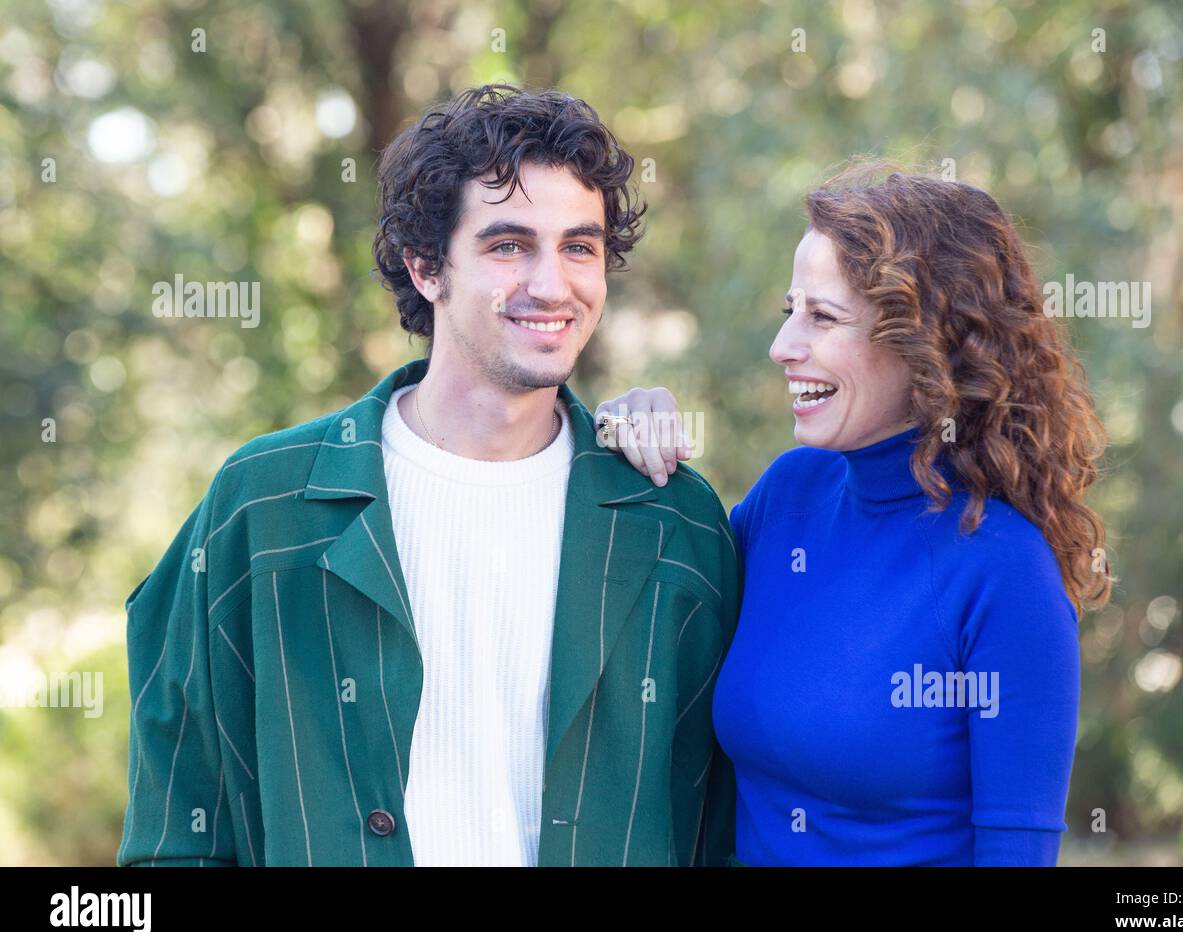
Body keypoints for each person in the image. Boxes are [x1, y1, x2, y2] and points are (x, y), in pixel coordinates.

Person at [117, 85, 740, 867]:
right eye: (508, 245)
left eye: (579, 246)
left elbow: (723, 825)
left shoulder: (674, 521)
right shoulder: (263, 504)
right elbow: (177, 824)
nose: (552, 285)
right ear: (425, 268)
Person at [595, 159, 1111, 865]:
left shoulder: (1005, 569)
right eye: (790, 311)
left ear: (924, 345)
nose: (783, 347)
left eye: (823, 318)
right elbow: (647, 625)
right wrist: (617, 434)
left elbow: (1016, 850)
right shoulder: (788, 496)